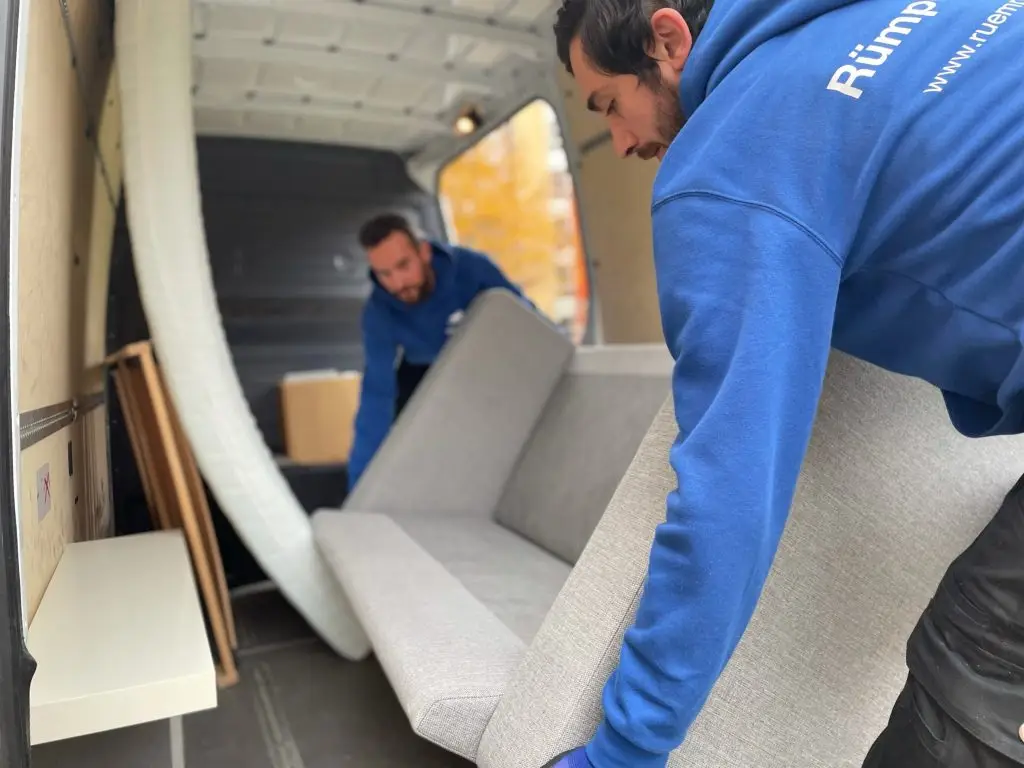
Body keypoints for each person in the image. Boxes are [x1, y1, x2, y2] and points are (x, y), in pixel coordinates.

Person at [544, 0, 1024, 767]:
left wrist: (622, 752)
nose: (624, 141)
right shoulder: (899, 14)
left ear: (667, 39)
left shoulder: (727, 164)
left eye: (610, 105)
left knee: (969, 681)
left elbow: (729, 495)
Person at [346, 212, 532, 492]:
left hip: (483, 363)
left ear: (424, 252)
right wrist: (357, 488)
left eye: (403, 265)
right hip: (424, 371)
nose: (397, 283)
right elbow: (376, 394)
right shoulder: (379, 313)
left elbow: (529, 321)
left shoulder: (471, 269)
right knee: (404, 425)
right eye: (385, 274)